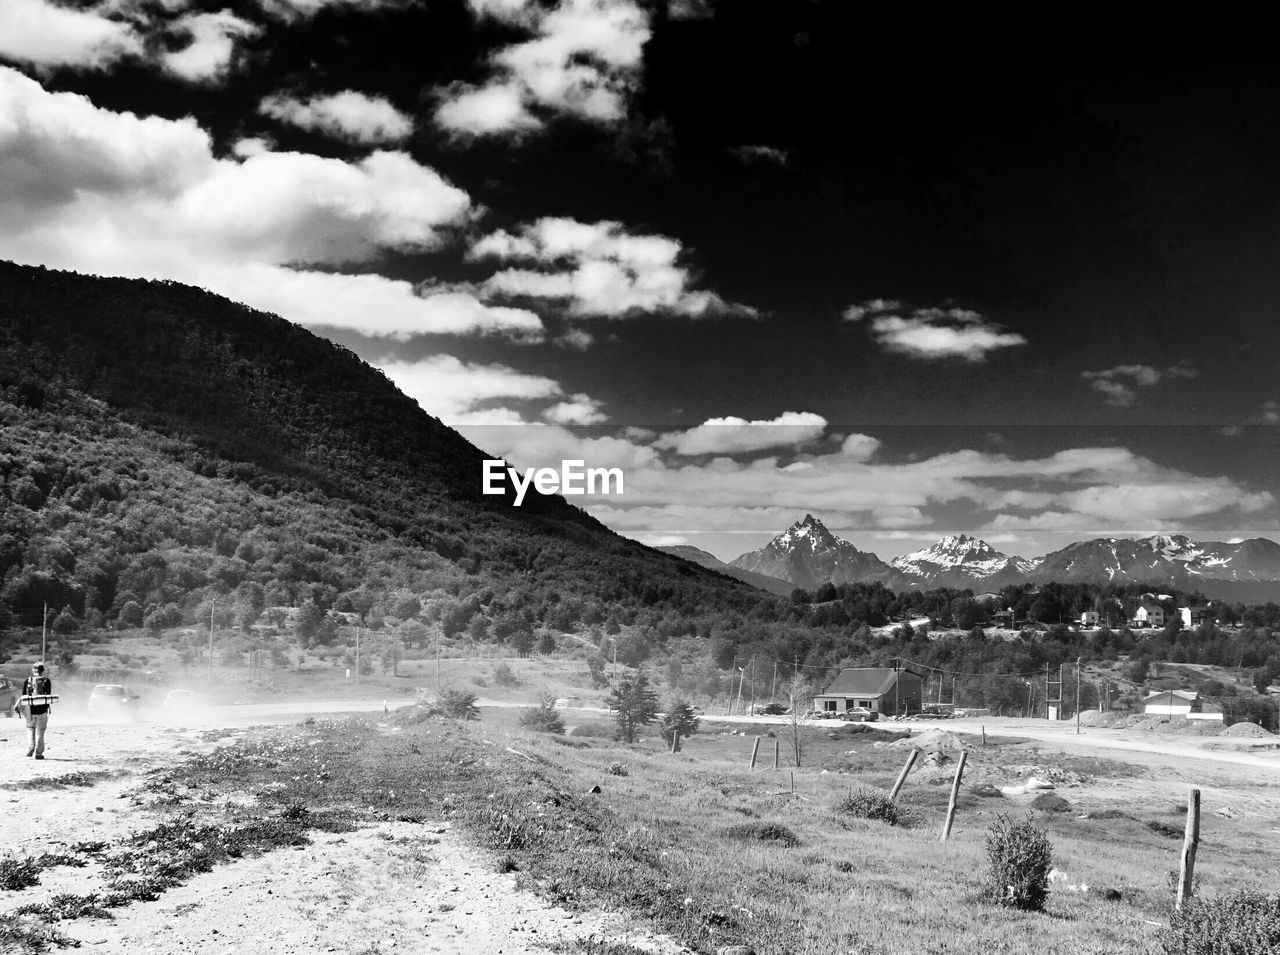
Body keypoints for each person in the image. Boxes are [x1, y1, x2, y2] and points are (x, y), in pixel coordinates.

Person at [20, 663, 53, 759]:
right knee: (41, 732)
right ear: (43, 671)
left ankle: (31, 747)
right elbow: (48, 694)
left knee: (30, 729)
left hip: (30, 710)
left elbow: (23, 696)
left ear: (32, 670)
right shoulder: (46, 681)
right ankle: (39, 753)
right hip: (42, 710)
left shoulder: (28, 680)